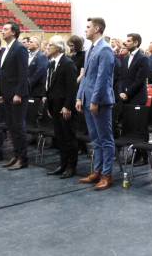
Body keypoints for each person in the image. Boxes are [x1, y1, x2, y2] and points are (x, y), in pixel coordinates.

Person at [76, 17, 116, 190]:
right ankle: (97, 171)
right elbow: (86, 76)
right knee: (95, 139)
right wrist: (79, 97)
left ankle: (107, 175)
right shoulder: (90, 49)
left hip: (99, 101)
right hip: (87, 99)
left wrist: (95, 100)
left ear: (97, 28)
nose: (85, 30)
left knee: (105, 139)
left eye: (88, 27)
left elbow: (103, 78)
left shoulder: (105, 49)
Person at [44, 35, 79, 178]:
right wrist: (48, 104)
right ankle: (63, 164)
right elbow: (49, 85)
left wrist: (67, 106)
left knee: (68, 137)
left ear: (58, 47)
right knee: (60, 137)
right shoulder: (51, 63)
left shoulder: (67, 63)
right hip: (54, 105)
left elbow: (72, 88)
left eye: (50, 45)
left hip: (64, 106)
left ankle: (71, 167)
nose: (47, 47)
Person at [0, 21, 30, 171]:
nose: (2, 31)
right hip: (7, 94)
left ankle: (23, 159)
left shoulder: (20, 48)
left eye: (5, 29)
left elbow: (23, 73)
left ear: (13, 32)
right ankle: (16, 155)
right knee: (11, 127)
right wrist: (1, 93)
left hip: (17, 95)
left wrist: (18, 93)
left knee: (18, 127)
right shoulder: (6, 49)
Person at [27, 36, 49, 100]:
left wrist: (28, 84)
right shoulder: (27, 55)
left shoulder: (42, 56)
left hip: (36, 91)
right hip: (28, 90)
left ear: (37, 45)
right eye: (28, 42)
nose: (28, 43)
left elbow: (39, 74)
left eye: (31, 42)